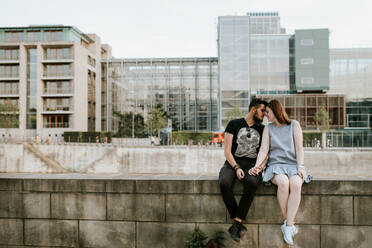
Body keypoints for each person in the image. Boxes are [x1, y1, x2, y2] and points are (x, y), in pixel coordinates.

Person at [249, 99, 307, 245]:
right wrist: (257, 166)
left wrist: (300, 166)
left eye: (268, 112)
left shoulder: (294, 125)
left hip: (293, 165)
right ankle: (288, 222)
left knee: (296, 184)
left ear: (275, 111)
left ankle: (287, 225)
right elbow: (263, 149)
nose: (266, 115)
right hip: (276, 165)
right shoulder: (269, 128)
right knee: (283, 182)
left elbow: (299, 148)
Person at [218, 98, 268, 243]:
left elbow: (266, 153)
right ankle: (237, 222)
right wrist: (236, 167)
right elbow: (227, 151)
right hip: (232, 163)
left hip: (252, 165)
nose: (264, 114)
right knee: (224, 182)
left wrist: (260, 167)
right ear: (254, 109)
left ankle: (237, 222)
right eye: (262, 111)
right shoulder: (234, 124)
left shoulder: (263, 129)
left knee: (252, 183)